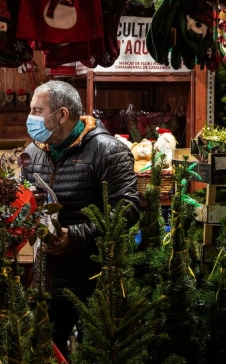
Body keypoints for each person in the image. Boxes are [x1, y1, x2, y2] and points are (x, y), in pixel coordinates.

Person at [20, 80, 140, 357]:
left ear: (62, 114)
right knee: (46, 352)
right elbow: (23, 200)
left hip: (93, 281)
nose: (31, 118)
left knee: (93, 353)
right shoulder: (34, 152)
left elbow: (128, 208)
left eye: (38, 111)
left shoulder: (109, 151)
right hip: (46, 280)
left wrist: (74, 236)